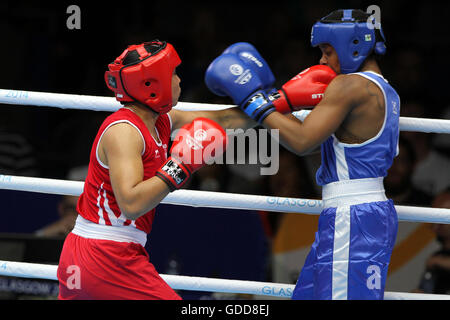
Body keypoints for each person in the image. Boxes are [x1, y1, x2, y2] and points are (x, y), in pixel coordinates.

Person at [205, 9, 399, 300]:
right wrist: (273, 97)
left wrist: (252, 98)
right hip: (354, 214)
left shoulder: (349, 86)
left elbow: (302, 141)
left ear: (353, 45)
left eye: (327, 50)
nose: (322, 60)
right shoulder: (387, 91)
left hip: (352, 216)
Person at [57, 40, 255, 300]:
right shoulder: (125, 131)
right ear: (152, 83)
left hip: (98, 255)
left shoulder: (160, 120)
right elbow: (131, 202)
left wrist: (272, 105)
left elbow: (223, 120)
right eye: (173, 73)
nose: (180, 80)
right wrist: (181, 166)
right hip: (106, 256)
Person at [415, 188, 450, 295]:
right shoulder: (437, 256)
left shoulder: (436, 260)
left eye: (440, 219)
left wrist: (440, 262)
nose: (435, 227)